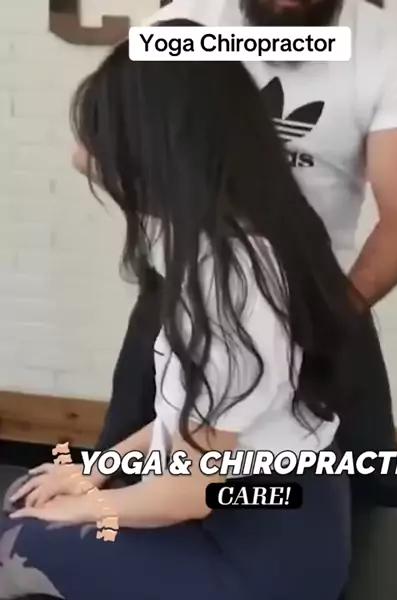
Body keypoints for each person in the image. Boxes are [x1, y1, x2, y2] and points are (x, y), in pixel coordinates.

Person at [0, 21, 362, 600]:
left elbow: (189, 493)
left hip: (257, 556)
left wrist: (85, 507)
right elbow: (194, 419)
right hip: (270, 505)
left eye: (105, 135)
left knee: (15, 540)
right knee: (29, 504)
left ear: (155, 147)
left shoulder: (230, 281)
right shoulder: (251, 237)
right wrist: (97, 468)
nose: (82, 156)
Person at [96, 0, 397, 508]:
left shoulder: (384, 51)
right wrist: (204, 218)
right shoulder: (182, 26)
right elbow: (99, 147)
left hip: (326, 297)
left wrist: (319, 319)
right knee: (125, 469)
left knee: (373, 487)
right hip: (191, 289)